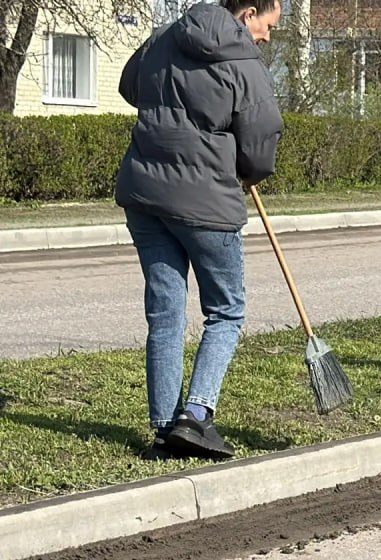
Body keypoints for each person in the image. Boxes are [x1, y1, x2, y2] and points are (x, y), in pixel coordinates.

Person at [116, 0, 284, 461]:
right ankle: (195, 415)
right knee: (226, 311)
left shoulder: (164, 36)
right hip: (207, 202)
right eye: (269, 25)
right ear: (249, 12)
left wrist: (170, 107)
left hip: (146, 196)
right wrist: (250, 170)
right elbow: (263, 131)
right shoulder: (243, 62)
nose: (268, 37)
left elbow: (130, 86)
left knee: (166, 312)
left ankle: (164, 430)